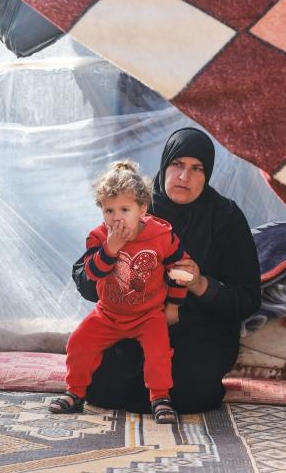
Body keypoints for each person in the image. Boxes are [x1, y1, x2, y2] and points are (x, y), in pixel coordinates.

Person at [73, 127, 261, 415]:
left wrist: (201, 284)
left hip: (201, 329)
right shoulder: (134, 206)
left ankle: (160, 392)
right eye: (177, 164)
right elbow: (85, 282)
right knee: (100, 384)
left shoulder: (225, 217)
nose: (184, 177)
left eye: (196, 168)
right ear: (164, 164)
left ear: (208, 173)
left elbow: (248, 299)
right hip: (134, 322)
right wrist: (112, 255)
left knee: (191, 392)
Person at [50, 160, 190, 423]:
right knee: (78, 343)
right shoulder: (98, 237)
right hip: (108, 313)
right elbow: (91, 273)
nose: (116, 217)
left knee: (159, 350)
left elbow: (178, 271)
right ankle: (75, 392)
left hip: (148, 313)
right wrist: (111, 248)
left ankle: (160, 397)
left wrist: (173, 306)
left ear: (142, 209)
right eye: (109, 210)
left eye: (125, 209)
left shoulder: (162, 235)